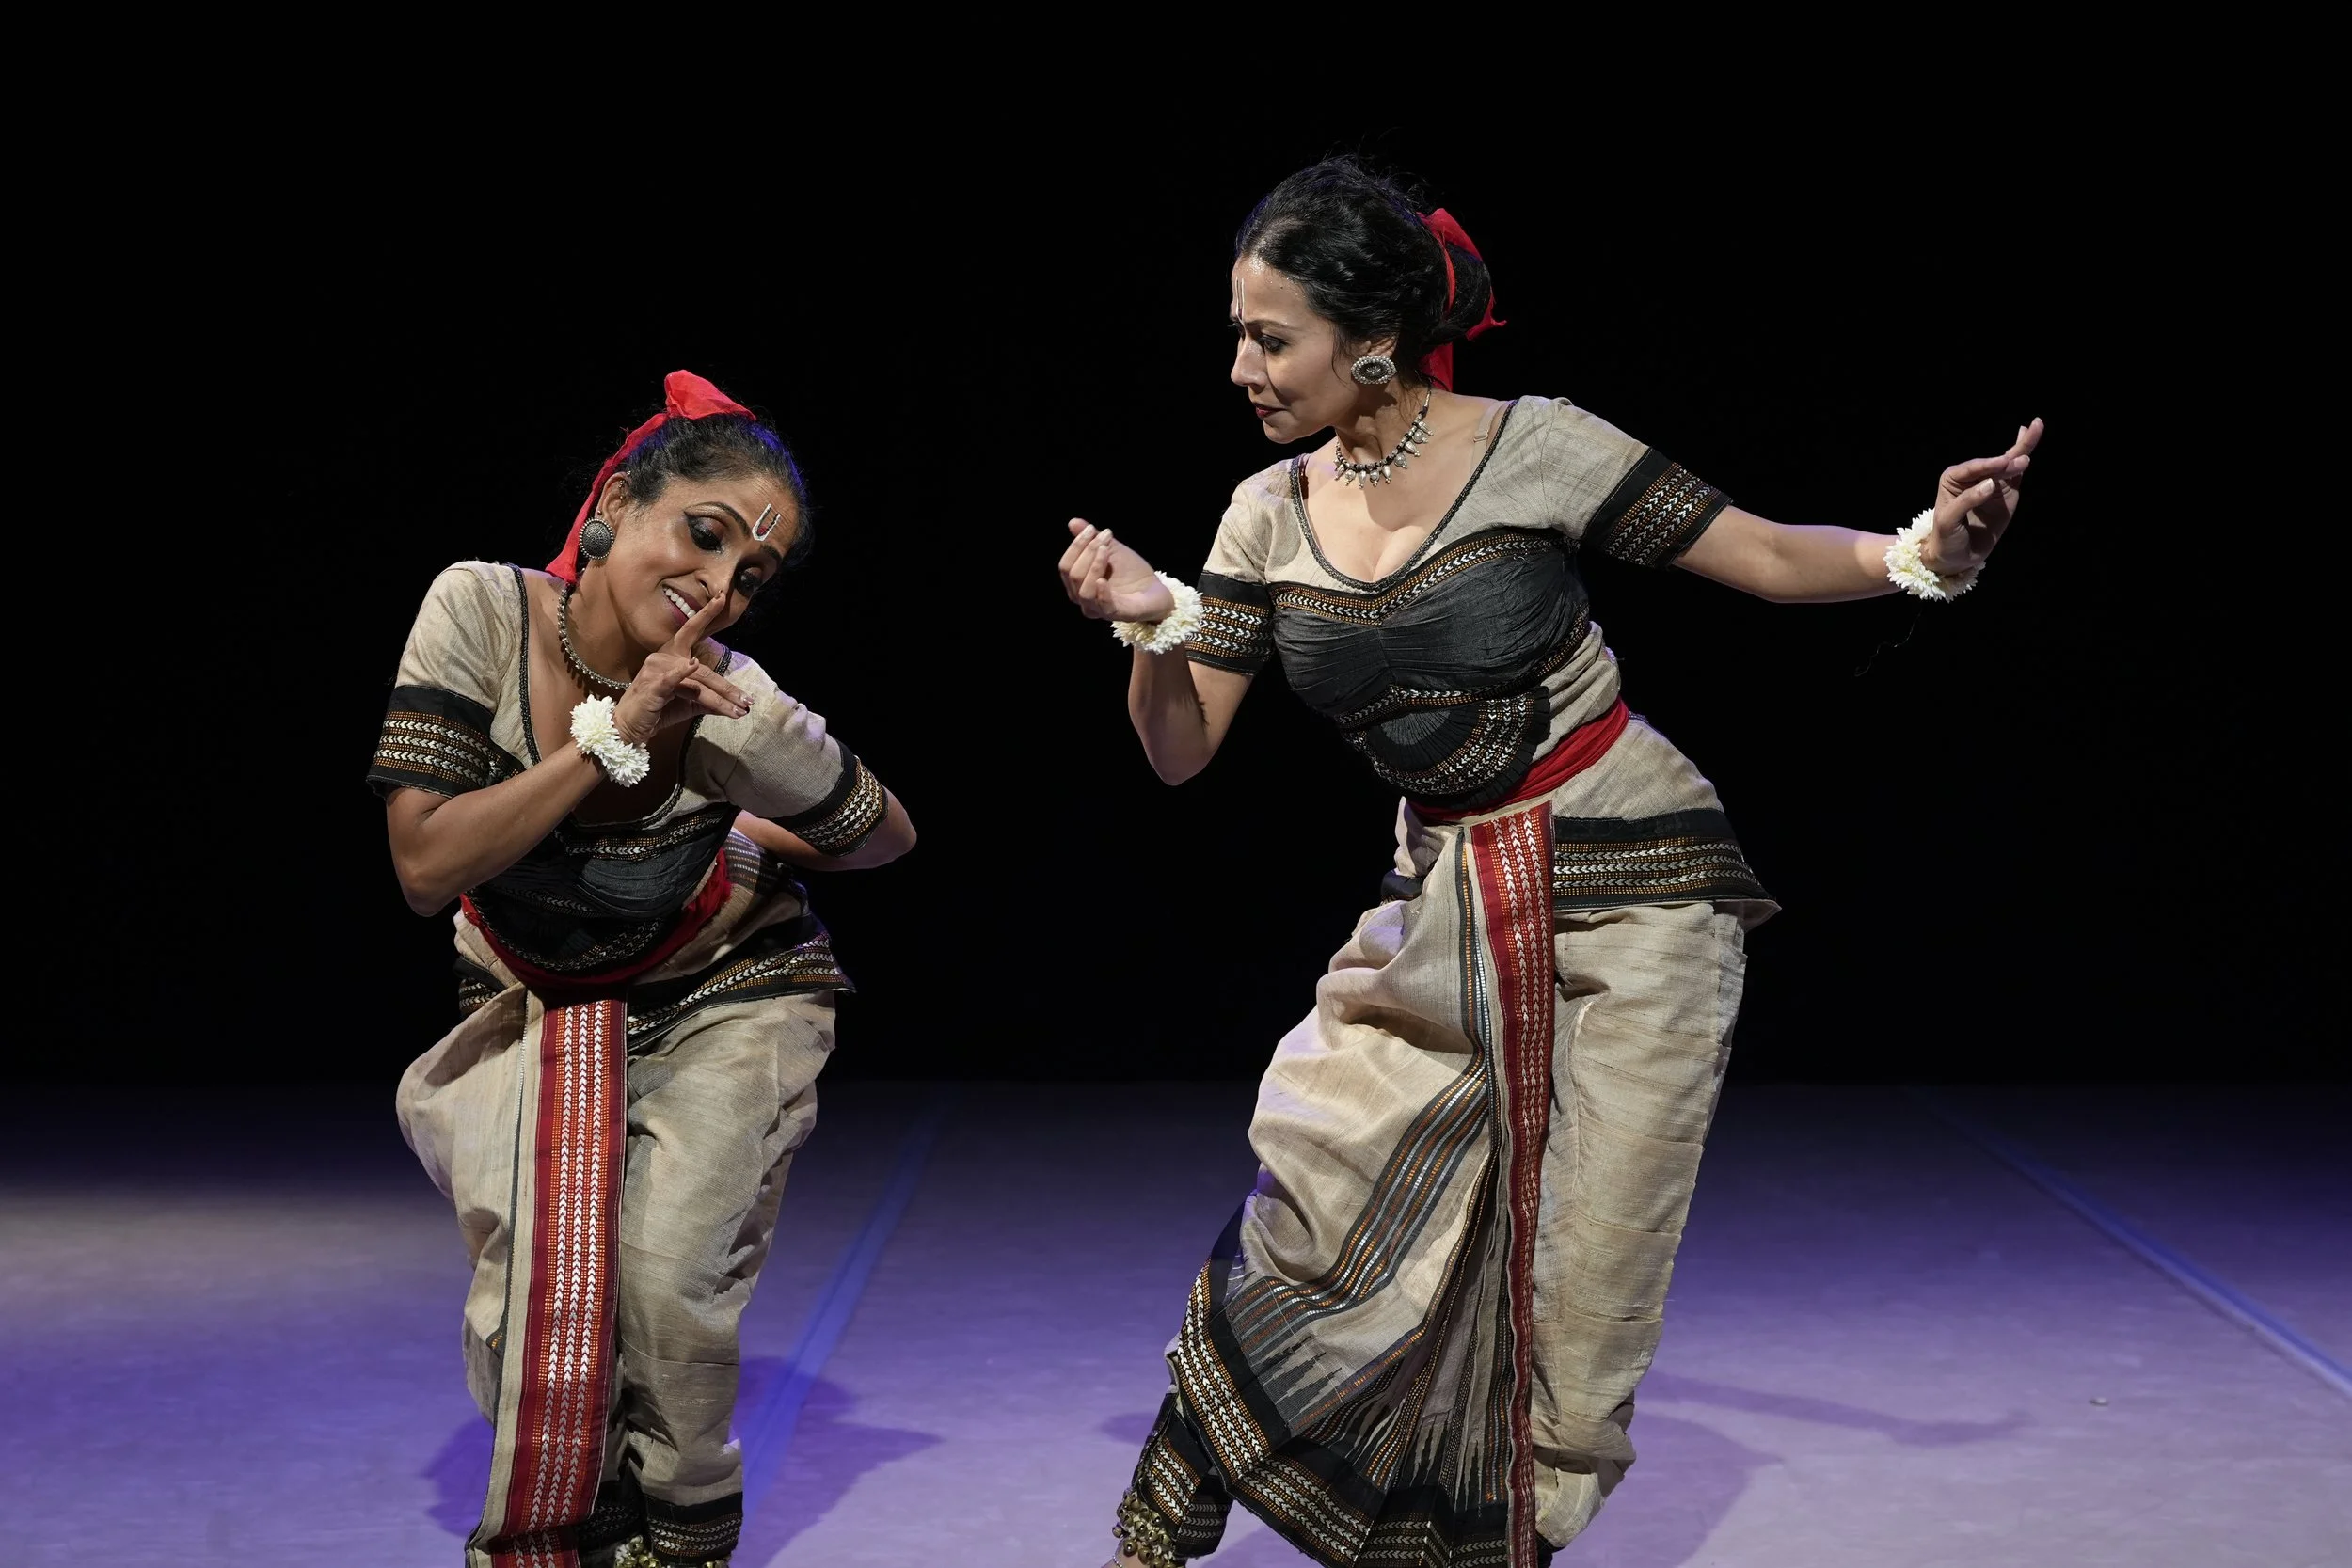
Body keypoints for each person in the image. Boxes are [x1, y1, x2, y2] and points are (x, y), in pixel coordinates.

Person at [1057, 159, 2039, 1568]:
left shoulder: (1534, 444)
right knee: (1323, 1180)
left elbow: (1761, 555)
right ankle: (1189, 1456)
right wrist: (1152, 625)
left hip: (1636, 882)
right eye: (1238, 331)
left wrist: (1924, 549)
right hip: (1446, 892)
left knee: (1585, 1268)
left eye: (1270, 337)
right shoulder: (1263, 515)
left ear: (1371, 339)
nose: (1241, 367)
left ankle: (1497, 1539)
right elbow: (1177, 752)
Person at [370, 371, 915, 1568]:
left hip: (725, 987)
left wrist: (756, 803)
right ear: (619, 501)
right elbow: (422, 863)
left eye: (750, 577)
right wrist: (616, 734)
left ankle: (683, 1532)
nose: (718, 586)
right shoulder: (480, 610)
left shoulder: (733, 702)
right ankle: (584, 1517)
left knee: (666, 1286)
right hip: (528, 990)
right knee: (539, 1307)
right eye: (703, 534)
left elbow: (886, 835)